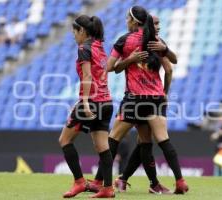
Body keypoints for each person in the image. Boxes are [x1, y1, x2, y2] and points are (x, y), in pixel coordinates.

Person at [87, 6, 188, 195]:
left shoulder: (124, 40)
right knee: (156, 140)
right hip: (156, 99)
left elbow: (110, 67)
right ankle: (176, 182)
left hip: (134, 99)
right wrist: (165, 90)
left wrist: (129, 60)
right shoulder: (156, 41)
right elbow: (172, 64)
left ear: (134, 21)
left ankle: (100, 181)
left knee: (113, 139)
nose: (126, 21)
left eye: (127, 18)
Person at [113, 15, 177, 192]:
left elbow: (172, 62)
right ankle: (151, 184)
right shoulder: (143, 41)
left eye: (159, 23)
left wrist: (165, 48)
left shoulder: (156, 42)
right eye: (155, 23)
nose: (159, 26)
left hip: (145, 98)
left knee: (144, 142)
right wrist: (165, 92)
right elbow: (170, 68)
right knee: (144, 142)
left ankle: (124, 179)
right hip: (144, 98)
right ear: (147, 24)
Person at [58, 15, 115, 198]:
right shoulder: (100, 46)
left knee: (65, 140)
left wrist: (83, 102)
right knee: (102, 147)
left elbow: (88, 77)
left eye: (74, 32)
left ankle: (80, 182)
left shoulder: (84, 48)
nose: (74, 36)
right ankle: (107, 188)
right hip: (106, 103)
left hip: (92, 102)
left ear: (82, 31)